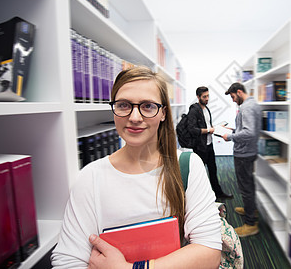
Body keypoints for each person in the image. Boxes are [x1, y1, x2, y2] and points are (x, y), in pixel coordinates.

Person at [51, 67, 221, 268]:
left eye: (147, 106)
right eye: (123, 105)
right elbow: (69, 261)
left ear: (163, 113)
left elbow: (209, 253)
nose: (134, 117)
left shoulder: (188, 165)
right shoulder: (90, 177)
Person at [221, 82, 261, 237]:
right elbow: (247, 129)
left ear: (239, 92)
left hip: (243, 154)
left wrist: (230, 136)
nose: (232, 100)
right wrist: (235, 130)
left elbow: (249, 132)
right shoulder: (253, 105)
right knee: (248, 185)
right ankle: (250, 209)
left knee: (245, 187)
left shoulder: (246, 107)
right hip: (249, 152)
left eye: (232, 97)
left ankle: (250, 224)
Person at [187, 86, 233, 200]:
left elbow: (207, 126)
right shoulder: (194, 110)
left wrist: (216, 128)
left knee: (213, 170)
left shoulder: (206, 109)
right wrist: (209, 130)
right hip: (200, 147)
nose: (207, 98)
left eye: (208, 96)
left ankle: (218, 193)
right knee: (199, 174)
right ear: (198, 97)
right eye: (204, 96)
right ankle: (199, 198)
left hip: (209, 145)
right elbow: (192, 129)